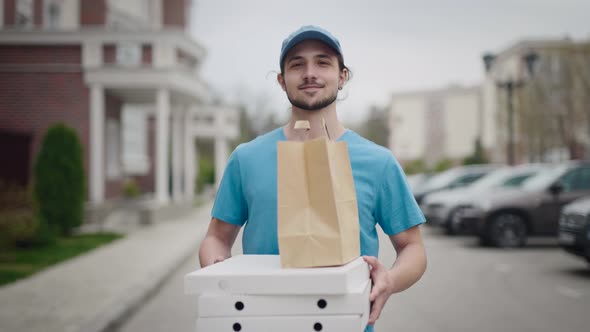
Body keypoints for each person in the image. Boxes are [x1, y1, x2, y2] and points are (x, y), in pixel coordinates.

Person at [198, 25, 427, 330]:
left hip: (346, 323)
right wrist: (219, 272)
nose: (310, 73)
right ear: (282, 80)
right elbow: (217, 236)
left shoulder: (379, 162)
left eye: (322, 62)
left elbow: (412, 246)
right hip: (259, 321)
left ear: (342, 76)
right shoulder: (246, 158)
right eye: (297, 64)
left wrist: (391, 280)